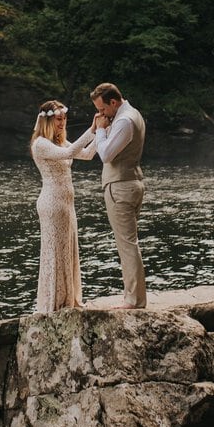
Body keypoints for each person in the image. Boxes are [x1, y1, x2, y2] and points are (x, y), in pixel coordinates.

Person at [30, 100, 97, 314]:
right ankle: (54, 302)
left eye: (64, 118)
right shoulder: (41, 144)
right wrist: (92, 129)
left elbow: (86, 154)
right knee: (56, 252)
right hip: (52, 203)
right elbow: (69, 154)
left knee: (68, 249)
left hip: (66, 204)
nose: (62, 122)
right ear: (48, 120)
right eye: (58, 119)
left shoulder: (60, 142)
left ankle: (69, 298)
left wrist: (102, 132)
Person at [90, 83, 147, 309]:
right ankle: (133, 297)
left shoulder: (124, 121)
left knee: (126, 245)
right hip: (131, 182)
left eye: (102, 109)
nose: (101, 114)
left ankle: (134, 300)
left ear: (113, 102)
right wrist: (99, 128)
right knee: (129, 243)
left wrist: (102, 130)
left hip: (120, 186)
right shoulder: (134, 114)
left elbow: (105, 154)